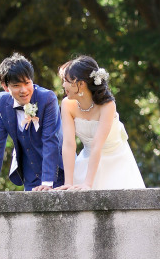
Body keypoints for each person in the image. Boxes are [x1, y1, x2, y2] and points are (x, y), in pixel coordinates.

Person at [0, 53, 64, 193]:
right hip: (29, 174)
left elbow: (50, 140)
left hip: (58, 172)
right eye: (16, 85)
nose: (23, 90)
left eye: (27, 83)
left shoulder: (47, 99)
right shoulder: (2, 101)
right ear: (5, 86)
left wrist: (47, 182)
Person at [57, 55, 145, 191]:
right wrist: (68, 182)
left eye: (67, 81)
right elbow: (68, 144)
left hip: (116, 161)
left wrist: (88, 184)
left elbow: (97, 144)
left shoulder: (108, 105)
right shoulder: (67, 104)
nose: (63, 85)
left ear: (81, 84)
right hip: (87, 160)